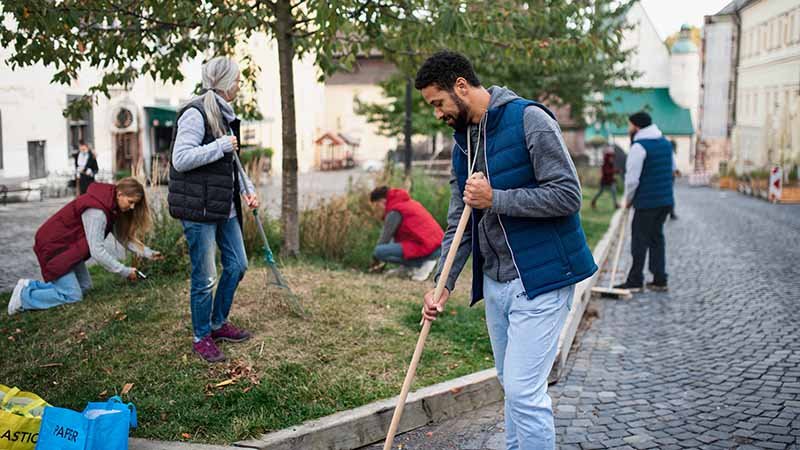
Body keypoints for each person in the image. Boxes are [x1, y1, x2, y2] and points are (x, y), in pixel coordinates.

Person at [415, 51, 597, 450]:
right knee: (511, 387)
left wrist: (496, 198)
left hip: (544, 278)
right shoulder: (464, 140)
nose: (437, 113)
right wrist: (442, 283)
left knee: (523, 392)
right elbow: (458, 220)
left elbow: (568, 194)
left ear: (461, 86)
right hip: (497, 283)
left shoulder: (530, 119)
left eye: (438, 103)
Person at [168, 56, 258, 363]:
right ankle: (201, 335)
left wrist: (248, 190)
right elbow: (181, 159)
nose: (239, 85)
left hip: (224, 206)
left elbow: (231, 162)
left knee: (238, 266)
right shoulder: (195, 114)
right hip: (198, 209)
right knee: (204, 277)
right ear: (223, 82)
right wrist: (219, 146)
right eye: (237, 80)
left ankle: (218, 324)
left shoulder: (225, 112)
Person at [7, 178, 163, 315]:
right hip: (54, 247)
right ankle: (23, 297)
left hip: (69, 249)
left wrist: (149, 253)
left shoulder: (110, 206)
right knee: (73, 296)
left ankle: (30, 285)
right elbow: (97, 251)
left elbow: (123, 237)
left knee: (85, 287)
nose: (132, 207)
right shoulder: (97, 212)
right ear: (120, 194)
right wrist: (125, 271)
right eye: (131, 202)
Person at [615, 111, 675, 293]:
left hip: (647, 202)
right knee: (657, 238)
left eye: (629, 125)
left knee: (639, 241)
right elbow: (673, 168)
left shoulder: (639, 147)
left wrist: (628, 199)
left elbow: (632, 179)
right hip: (665, 201)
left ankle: (635, 280)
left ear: (636, 126)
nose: (628, 129)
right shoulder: (665, 143)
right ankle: (659, 279)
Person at [368, 186, 443, 281]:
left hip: (429, 247)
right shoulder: (407, 204)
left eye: (376, 205)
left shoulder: (394, 211)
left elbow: (384, 239)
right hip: (438, 245)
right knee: (391, 244)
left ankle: (419, 264)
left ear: (382, 201)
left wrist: (375, 260)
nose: (376, 209)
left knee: (379, 251)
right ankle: (412, 266)